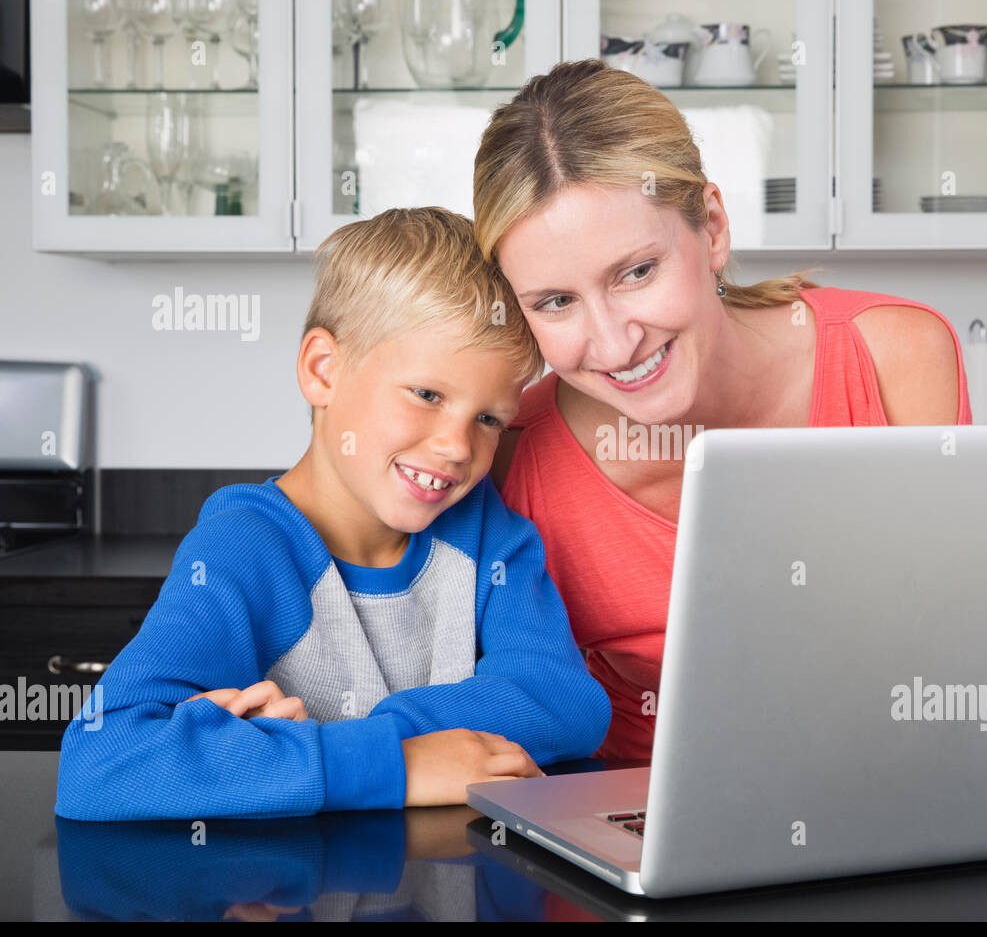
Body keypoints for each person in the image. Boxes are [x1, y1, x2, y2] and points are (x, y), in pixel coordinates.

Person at [474, 59, 972, 760]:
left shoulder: (893, 357)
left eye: (636, 272)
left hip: (883, 783)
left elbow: (963, 645)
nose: (614, 343)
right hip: (625, 828)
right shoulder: (510, 450)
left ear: (711, 229)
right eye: (556, 302)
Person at [56, 207, 611, 821]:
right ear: (323, 370)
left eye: (488, 419)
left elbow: (565, 701)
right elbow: (100, 764)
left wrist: (318, 744)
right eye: (427, 395)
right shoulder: (247, 549)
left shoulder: (487, 534)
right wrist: (400, 763)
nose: (458, 447)